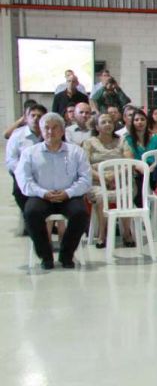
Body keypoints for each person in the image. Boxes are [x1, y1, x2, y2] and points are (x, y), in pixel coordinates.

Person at [16, 113, 91, 269]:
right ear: (41, 131)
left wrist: (68, 193)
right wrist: (43, 193)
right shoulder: (30, 153)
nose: (50, 131)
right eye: (46, 128)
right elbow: (24, 180)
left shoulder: (76, 152)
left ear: (62, 130)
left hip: (68, 196)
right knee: (31, 213)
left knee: (81, 213)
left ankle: (66, 255)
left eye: (55, 127)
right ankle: (46, 256)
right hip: (41, 196)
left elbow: (85, 179)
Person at [81, 112, 132, 248]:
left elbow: (129, 162)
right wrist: (103, 178)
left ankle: (127, 233)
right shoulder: (89, 142)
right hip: (97, 180)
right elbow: (84, 166)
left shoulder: (122, 140)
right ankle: (102, 235)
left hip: (120, 180)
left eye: (110, 122)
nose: (108, 124)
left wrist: (115, 177)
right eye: (103, 122)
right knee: (101, 196)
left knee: (125, 195)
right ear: (97, 127)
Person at [7, 103, 47, 217]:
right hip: (22, 172)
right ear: (26, 118)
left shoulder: (49, 133)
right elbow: (11, 160)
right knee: (18, 191)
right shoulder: (17, 135)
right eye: (33, 115)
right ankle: (28, 217)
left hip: (46, 172)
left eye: (39, 116)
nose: (36, 119)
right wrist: (24, 171)